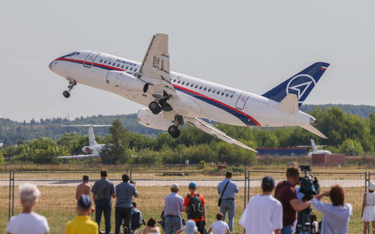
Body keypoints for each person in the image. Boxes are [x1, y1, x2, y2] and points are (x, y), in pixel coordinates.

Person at [274, 165, 311, 234]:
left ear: (286, 175)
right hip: (286, 226)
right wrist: (312, 201)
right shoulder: (290, 190)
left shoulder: (280, 185)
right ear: (298, 177)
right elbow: (297, 206)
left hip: (278, 224)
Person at [91, 169, 116, 234]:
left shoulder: (97, 183)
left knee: (97, 219)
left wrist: (95, 202)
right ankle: (107, 232)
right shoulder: (110, 183)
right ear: (107, 175)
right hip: (107, 201)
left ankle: (97, 231)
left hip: (99, 201)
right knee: (107, 219)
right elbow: (113, 195)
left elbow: (94, 195)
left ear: (100, 175)